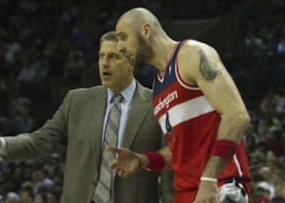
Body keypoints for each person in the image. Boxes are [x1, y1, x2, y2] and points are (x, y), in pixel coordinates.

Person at [0, 31, 163, 203]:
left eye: (113, 57)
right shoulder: (77, 101)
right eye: (101, 56)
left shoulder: (157, 103)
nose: (104, 63)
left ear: (131, 61)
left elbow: (172, 161)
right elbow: (41, 140)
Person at [108, 7, 252, 203]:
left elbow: (237, 115)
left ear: (146, 31)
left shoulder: (192, 54)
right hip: (187, 193)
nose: (120, 47)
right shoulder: (158, 89)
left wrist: (209, 178)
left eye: (123, 37)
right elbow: (179, 152)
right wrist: (142, 160)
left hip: (218, 186)